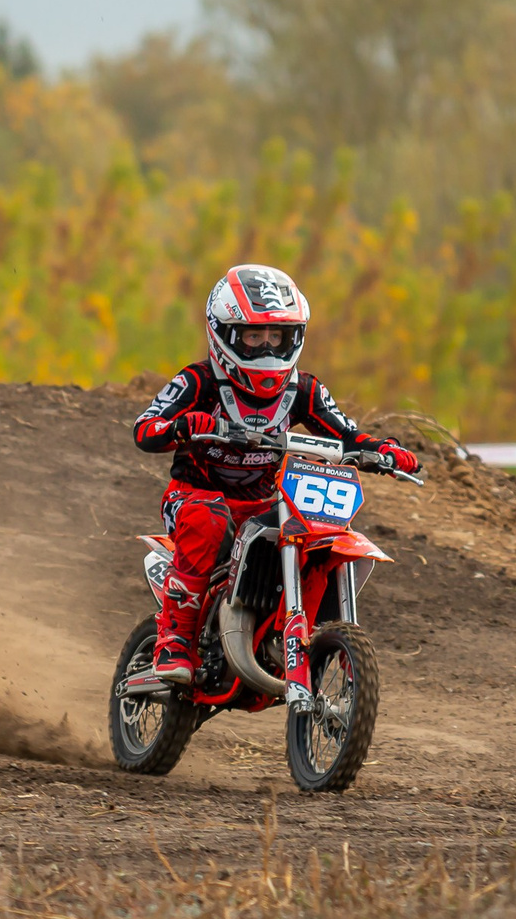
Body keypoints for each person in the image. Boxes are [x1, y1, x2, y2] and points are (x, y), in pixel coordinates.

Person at [131, 264, 420, 683]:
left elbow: (348, 433)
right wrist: (181, 427)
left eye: (277, 337)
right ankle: (174, 641)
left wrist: (383, 451)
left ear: (295, 337)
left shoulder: (304, 389)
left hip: (264, 506)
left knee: (318, 532)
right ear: (225, 334)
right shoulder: (198, 382)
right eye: (253, 336)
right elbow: (145, 427)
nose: (267, 346)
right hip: (192, 497)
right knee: (206, 519)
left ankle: (298, 634)